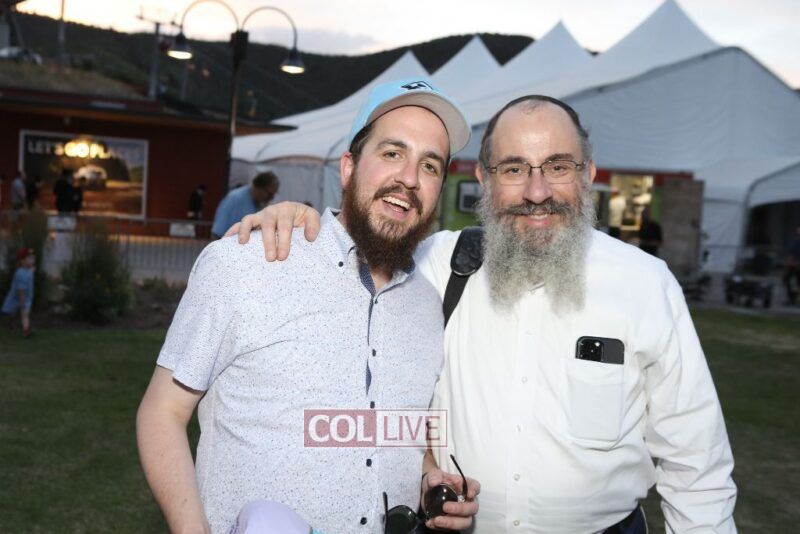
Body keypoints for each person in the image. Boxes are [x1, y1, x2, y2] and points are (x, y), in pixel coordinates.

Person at [235, 95, 738, 533]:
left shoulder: (645, 284)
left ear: (587, 174)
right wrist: (300, 221)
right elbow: (354, 256)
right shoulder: (433, 266)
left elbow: (696, 465)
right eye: (514, 169)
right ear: (483, 179)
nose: (537, 192)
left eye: (557, 167)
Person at [136, 79, 479, 534]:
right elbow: (162, 413)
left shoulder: (427, 304)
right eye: (392, 153)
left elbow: (395, 432)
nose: (410, 178)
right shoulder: (247, 263)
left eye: (430, 165)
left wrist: (426, 476)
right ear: (348, 167)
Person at [210, 172, 280, 238]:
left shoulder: (261, 204)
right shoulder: (235, 199)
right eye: (269, 194)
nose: (271, 198)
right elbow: (217, 232)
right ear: (258, 187)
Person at [2, 247, 36, 337]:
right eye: (30, 258)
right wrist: (22, 301)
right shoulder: (20, 274)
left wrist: (31, 271)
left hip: (27, 296)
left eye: (33, 258)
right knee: (16, 311)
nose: (32, 261)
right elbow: (21, 290)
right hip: (19, 296)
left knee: (24, 313)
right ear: (22, 261)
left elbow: (29, 276)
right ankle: (21, 328)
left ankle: (24, 328)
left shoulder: (29, 271)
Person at [783, 226, 800, 305]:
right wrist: (789, 262)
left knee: (795, 280)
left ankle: (793, 297)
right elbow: (791, 254)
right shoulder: (796, 243)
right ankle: (792, 297)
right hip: (794, 265)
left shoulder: (796, 243)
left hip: (796, 265)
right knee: (787, 279)